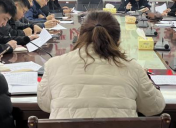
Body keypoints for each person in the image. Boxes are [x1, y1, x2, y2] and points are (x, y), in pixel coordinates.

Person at [38, 11, 166, 119]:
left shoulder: (53, 65)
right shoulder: (133, 68)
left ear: (79, 35)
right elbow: (154, 108)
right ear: (118, 40)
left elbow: (45, 105)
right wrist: (146, 77)